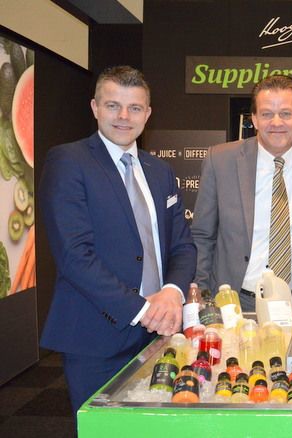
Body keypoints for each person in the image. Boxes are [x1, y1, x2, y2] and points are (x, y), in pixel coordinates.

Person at [39, 66, 196, 415]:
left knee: (156, 430)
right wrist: (143, 310)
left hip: (160, 333)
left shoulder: (160, 171)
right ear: (95, 107)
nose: (124, 116)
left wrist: (172, 293)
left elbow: (182, 246)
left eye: (134, 108)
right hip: (97, 335)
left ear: (148, 114)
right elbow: (74, 255)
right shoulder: (69, 161)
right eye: (113, 106)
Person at [191, 75, 292, 310]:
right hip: (235, 303)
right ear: (254, 119)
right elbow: (202, 236)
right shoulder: (220, 160)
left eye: (286, 113)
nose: (276, 122)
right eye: (267, 114)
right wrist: (199, 294)